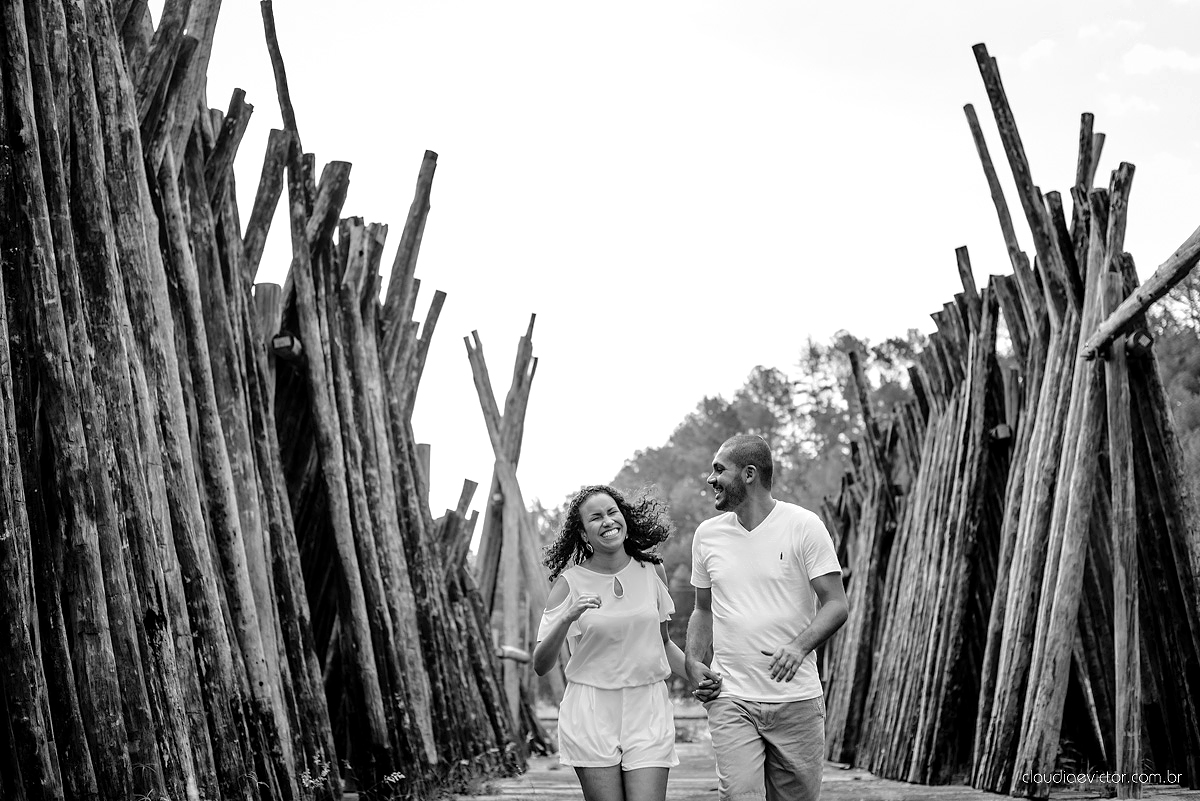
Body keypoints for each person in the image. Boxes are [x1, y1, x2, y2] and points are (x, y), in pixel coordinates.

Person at [686, 435, 849, 801]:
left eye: (718, 469)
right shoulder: (707, 536)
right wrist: (693, 661)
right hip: (732, 697)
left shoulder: (804, 526)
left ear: (748, 474)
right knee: (739, 794)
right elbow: (701, 609)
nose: (710, 479)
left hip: (797, 701)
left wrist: (798, 647)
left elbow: (836, 604)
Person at [533, 484, 703, 801]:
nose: (608, 521)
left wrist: (695, 673)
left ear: (623, 517)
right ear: (583, 534)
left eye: (613, 512)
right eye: (595, 517)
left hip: (647, 705)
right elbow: (541, 664)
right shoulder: (569, 583)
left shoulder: (653, 570)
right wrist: (566, 618)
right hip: (591, 709)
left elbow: (664, 643)